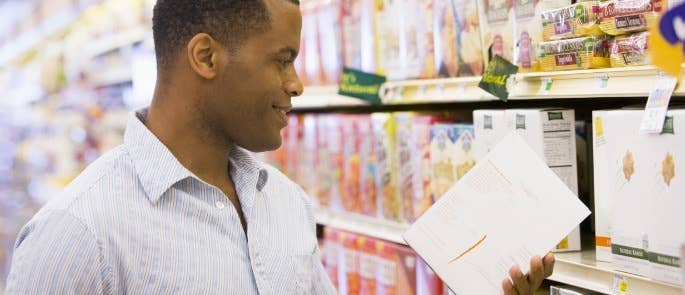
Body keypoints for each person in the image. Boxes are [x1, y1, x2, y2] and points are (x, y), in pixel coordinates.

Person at [5, 0, 554, 294]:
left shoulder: (285, 204)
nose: (297, 83)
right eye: (281, 58)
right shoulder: (79, 232)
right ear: (206, 57)